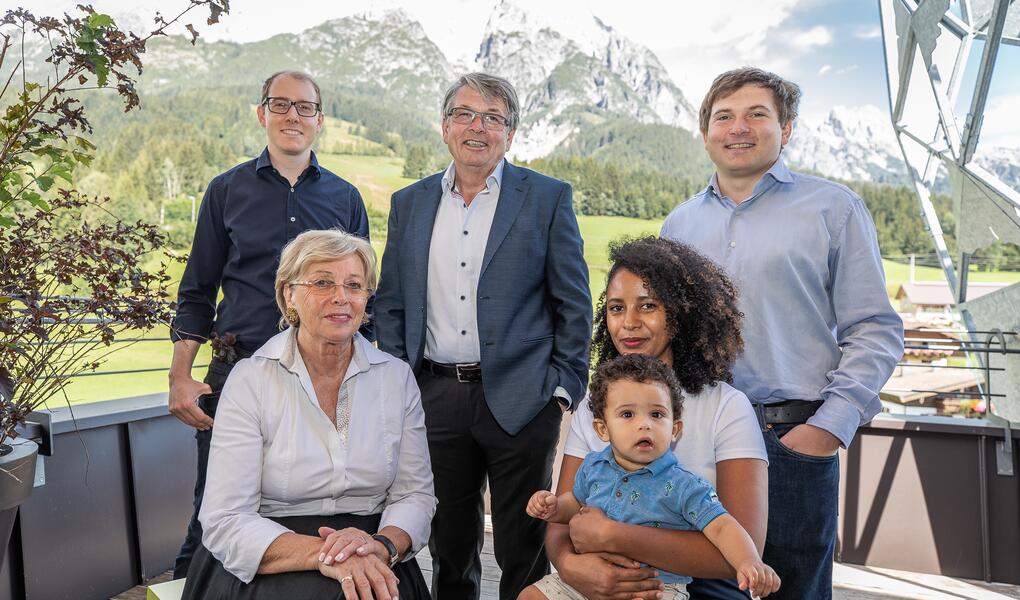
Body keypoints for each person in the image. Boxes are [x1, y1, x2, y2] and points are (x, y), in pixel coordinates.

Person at [661, 67, 904, 599]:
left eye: (757, 114)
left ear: (786, 129)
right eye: (723, 116)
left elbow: (876, 330)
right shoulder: (678, 225)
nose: (738, 128)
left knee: (793, 591)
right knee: (696, 588)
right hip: (696, 439)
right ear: (706, 134)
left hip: (790, 444)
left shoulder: (833, 209)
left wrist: (826, 431)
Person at [375, 72, 592, 600]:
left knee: (523, 544)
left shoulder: (546, 198)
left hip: (525, 397)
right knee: (449, 541)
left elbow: (574, 302)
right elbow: (392, 300)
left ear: (510, 133)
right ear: (445, 126)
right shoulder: (410, 202)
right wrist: (403, 381)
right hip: (434, 395)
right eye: (466, 114)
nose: (479, 127)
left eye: (493, 117)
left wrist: (563, 390)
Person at [167, 70, 370, 578]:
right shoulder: (225, 191)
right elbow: (196, 291)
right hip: (236, 375)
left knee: (311, 507)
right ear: (262, 114)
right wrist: (179, 376)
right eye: (281, 105)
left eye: (304, 108)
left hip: (323, 380)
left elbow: (362, 293)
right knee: (212, 514)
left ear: (319, 122)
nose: (292, 116)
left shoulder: (346, 199)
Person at [181, 230, 435, 600]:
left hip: (372, 550)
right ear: (289, 295)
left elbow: (415, 496)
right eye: (322, 282)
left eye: (354, 285)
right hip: (268, 552)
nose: (341, 298)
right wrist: (327, 555)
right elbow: (227, 518)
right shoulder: (252, 379)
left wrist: (381, 546)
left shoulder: (395, 378)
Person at [547, 237, 769, 600]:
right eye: (616, 308)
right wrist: (570, 566)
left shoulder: (726, 406)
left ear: (679, 314)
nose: (628, 323)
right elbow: (562, 522)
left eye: (647, 306)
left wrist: (615, 536)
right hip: (599, 576)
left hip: (704, 587)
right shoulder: (597, 404)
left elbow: (744, 549)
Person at [525, 355, 781, 600]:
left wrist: (748, 560)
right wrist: (555, 507)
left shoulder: (684, 485)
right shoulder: (595, 466)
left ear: (675, 429)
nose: (644, 424)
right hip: (590, 576)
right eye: (627, 415)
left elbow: (723, 526)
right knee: (531, 595)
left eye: (656, 415)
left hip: (653, 587)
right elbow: (577, 503)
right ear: (602, 429)